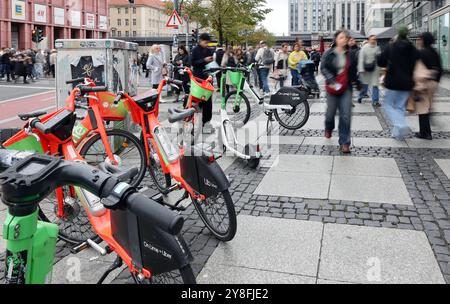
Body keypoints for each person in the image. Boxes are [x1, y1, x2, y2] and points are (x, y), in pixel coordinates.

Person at [321, 30, 358, 154]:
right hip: (332, 87)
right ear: (336, 39)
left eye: (345, 37)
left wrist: (357, 83)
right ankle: (329, 127)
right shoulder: (329, 53)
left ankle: (344, 142)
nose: (343, 39)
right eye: (341, 37)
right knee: (330, 113)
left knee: (346, 115)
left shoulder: (351, 54)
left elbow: (353, 70)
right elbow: (323, 68)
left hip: (346, 88)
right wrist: (331, 79)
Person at [377, 26, 418, 141]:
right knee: (400, 107)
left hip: (393, 81)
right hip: (407, 83)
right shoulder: (412, 48)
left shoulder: (391, 46)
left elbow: (380, 61)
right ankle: (397, 134)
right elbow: (416, 62)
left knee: (388, 105)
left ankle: (400, 124)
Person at [413, 32, 443, 140]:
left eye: (420, 39)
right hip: (434, 83)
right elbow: (440, 69)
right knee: (427, 106)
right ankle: (426, 131)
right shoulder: (435, 52)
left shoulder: (422, 52)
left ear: (423, 40)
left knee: (422, 108)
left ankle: (425, 133)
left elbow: (417, 69)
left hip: (424, 82)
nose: (418, 41)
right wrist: (435, 81)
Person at [190, 33, 215, 134]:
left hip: (207, 77)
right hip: (198, 77)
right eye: (205, 42)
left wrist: (211, 61)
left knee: (208, 100)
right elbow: (192, 62)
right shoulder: (195, 50)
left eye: (208, 43)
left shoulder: (208, 50)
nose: (206, 45)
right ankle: (196, 123)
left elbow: (211, 62)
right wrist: (203, 60)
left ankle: (207, 122)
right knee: (197, 100)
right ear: (200, 40)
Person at [357, 35, 381, 107]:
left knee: (375, 85)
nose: (374, 41)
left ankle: (375, 101)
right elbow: (361, 59)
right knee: (365, 86)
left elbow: (379, 59)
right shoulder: (364, 48)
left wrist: (380, 69)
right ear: (369, 40)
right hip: (365, 70)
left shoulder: (378, 48)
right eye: (372, 39)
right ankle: (360, 96)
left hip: (375, 70)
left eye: (375, 39)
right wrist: (361, 69)